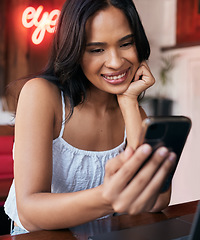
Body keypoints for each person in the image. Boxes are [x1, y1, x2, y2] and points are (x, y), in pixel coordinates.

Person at [4, 0, 176, 236]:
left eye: (126, 43)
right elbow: (30, 213)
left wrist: (128, 102)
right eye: (96, 49)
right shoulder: (42, 95)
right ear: (74, 51)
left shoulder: (134, 114)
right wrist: (108, 197)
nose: (116, 62)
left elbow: (156, 200)